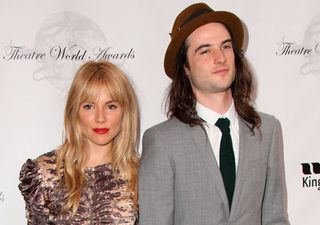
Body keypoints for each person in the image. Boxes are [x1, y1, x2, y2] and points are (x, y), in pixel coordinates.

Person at [139, 2, 290, 225]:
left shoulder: (267, 130)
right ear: (185, 67)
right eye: (205, 50)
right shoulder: (162, 141)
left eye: (226, 46)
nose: (220, 57)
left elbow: (275, 219)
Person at [19, 61, 139, 224]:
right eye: (89, 106)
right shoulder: (45, 174)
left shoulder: (141, 175)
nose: (100, 118)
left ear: (125, 111)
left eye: (110, 106)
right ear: (74, 110)